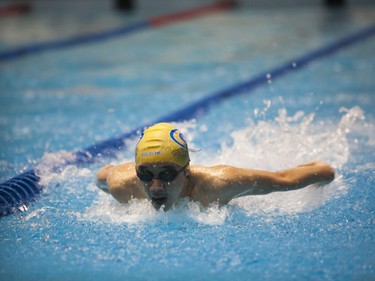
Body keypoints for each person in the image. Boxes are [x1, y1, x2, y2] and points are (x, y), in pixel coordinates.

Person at [96, 122, 335, 211]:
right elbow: (103, 175)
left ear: (186, 170)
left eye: (167, 174)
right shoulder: (123, 185)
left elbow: (284, 178)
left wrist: (323, 172)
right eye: (145, 174)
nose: (155, 186)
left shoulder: (219, 184)